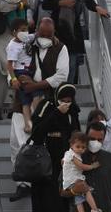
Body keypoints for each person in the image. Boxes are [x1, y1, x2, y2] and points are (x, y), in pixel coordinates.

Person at [9, 17, 68, 202]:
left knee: (32, 144)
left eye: (47, 35)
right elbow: (11, 65)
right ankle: (22, 184)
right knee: (15, 143)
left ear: (53, 34)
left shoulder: (61, 48)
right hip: (21, 100)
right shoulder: (25, 44)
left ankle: (32, 182)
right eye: (41, 34)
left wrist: (36, 86)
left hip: (44, 103)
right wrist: (15, 81)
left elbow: (62, 76)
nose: (44, 37)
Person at [40, 0, 110, 83]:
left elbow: (88, 0)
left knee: (71, 65)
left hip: (72, 32)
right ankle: (57, 93)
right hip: (56, 30)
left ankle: (68, 92)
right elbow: (46, 4)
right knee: (56, 65)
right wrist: (62, 3)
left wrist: (98, 8)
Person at [29, 83, 81, 211]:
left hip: (64, 165)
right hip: (45, 164)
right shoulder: (46, 106)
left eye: (69, 101)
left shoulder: (73, 110)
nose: (66, 104)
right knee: (46, 201)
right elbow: (37, 134)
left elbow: (76, 132)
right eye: (63, 101)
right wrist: (57, 113)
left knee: (61, 203)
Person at [81, 122, 111, 212]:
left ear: (104, 139)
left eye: (99, 140)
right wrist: (74, 190)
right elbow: (62, 190)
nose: (95, 142)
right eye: (92, 139)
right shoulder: (75, 159)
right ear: (86, 136)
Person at [6, 19, 41, 134]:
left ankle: (32, 122)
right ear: (14, 32)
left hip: (30, 70)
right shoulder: (12, 46)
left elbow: (36, 35)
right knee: (27, 100)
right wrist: (14, 79)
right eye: (22, 30)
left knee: (33, 98)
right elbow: (10, 64)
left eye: (26, 29)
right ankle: (29, 123)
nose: (25, 32)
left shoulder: (26, 39)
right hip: (20, 73)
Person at [63, 132, 103, 212]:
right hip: (73, 180)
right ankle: (95, 209)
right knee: (87, 191)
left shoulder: (69, 154)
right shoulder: (73, 156)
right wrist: (92, 166)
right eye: (78, 146)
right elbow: (81, 166)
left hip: (68, 182)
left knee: (79, 199)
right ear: (71, 145)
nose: (80, 149)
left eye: (83, 147)